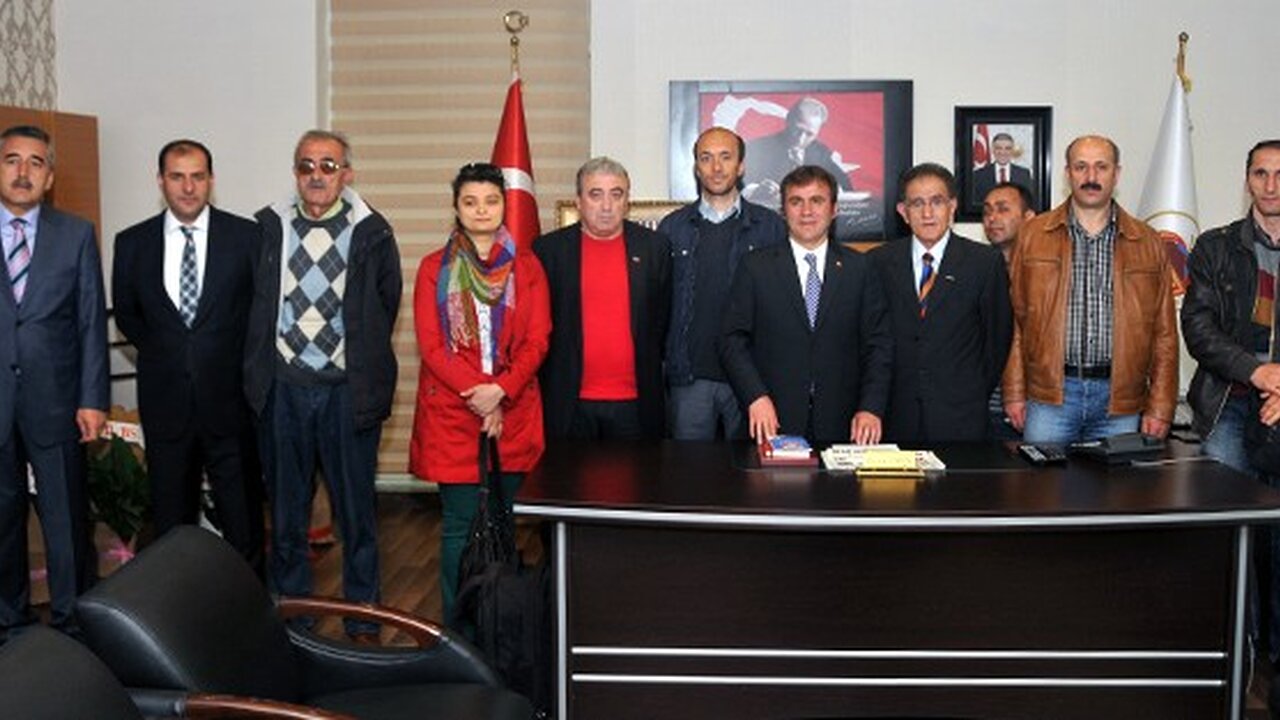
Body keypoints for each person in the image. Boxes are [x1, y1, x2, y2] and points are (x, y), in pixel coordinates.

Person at [244, 129, 401, 642]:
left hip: (346, 392)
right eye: (306, 166)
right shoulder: (268, 227)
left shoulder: (373, 232)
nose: (317, 176)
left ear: (346, 174)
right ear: (295, 173)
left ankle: (363, 616)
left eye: (328, 166)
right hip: (283, 389)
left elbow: (385, 303)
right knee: (287, 514)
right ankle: (294, 615)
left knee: (357, 514)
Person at [112, 140, 263, 572]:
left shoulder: (247, 237)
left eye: (197, 176)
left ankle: (249, 605)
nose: (188, 187)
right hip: (166, 405)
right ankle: (174, 607)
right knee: (171, 526)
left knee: (244, 521)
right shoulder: (133, 242)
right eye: (177, 177)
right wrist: (171, 352)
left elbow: (260, 314)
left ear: (211, 180)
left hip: (231, 405)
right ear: (160, 181)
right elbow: (128, 314)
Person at [410, 162, 550, 623]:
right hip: (454, 414)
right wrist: (481, 395)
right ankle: (459, 631)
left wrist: (501, 391)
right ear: (456, 207)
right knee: (459, 525)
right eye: (470, 202)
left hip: (514, 412)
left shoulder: (528, 267)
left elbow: (538, 340)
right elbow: (432, 346)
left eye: (491, 201)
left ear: (505, 205)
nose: (481, 210)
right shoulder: (433, 268)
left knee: (504, 523)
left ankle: (499, 625)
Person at [0, 124, 108, 641]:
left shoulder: (76, 234)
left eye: (35, 162)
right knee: (3, 520)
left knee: (65, 522)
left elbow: (90, 322)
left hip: (58, 402)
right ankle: (10, 623)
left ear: (49, 177)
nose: (23, 172)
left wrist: (93, 399)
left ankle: (72, 624)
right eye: (12, 160)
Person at [1003, 135, 1178, 443]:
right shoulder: (1032, 235)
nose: (1091, 177)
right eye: (1081, 167)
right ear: (1067, 173)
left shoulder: (1148, 242)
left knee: (1116, 478)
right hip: (1049, 397)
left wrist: (1161, 405)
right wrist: (1014, 391)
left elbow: (1164, 333)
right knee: (1042, 476)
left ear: (1116, 174)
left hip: (1121, 402)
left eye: (1101, 167)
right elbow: (1015, 322)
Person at [720, 165, 892, 444]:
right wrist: (755, 396)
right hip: (771, 419)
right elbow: (732, 340)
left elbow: (879, 345)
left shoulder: (860, 268)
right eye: (796, 201)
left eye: (817, 201)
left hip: (846, 422)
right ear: (783, 210)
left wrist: (871, 408)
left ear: (834, 209)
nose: (806, 211)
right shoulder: (755, 267)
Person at [659, 127, 786, 440]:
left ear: (741, 166)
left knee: (750, 469)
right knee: (688, 468)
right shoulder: (672, 228)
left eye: (726, 157)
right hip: (689, 379)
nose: (716, 167)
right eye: (706, 158)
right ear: (696, 168)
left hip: (752, 381)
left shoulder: (770, 227)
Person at [871, 163, 1011, 444]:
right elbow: (873, 339)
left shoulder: (984, 263)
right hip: (896, 415)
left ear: (952, 206)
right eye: (917, 204)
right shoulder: (878, 262)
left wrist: (970, 391)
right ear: (903, 212)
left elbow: (997, 341)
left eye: (936, 202)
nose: (927, 213)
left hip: (961, 415)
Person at [533, 157, 671, 440]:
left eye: (616, 194)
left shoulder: (654, 247)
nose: (606, 206)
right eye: (595, 195)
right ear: (579, 201)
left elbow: (663, 320)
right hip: (569, 403)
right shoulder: (549, 251)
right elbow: (539, 326)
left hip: (636, 403)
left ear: (627, 201)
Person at [1184, 140, 1280, 475]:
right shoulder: (1214, 247)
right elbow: (1198, 328)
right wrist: (1256, 371)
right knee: (1226, 497)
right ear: (1247, 181)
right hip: (1229, 399)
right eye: (1261, 174)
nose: (1270, 186)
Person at [982, 181, 1037, 439]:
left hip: (1033, 406)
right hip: (982, 406)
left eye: (1003, 209)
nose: (992, 218)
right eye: (987, 211)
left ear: (1029, 218)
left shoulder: (1047, 272)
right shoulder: (973, 267)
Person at [742, 97, 854, 209]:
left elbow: (846, 186)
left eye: (809, 134)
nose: (800, 139)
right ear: (788, 120)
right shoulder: (757, 148)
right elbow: (737, 185)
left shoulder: (821, 153)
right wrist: (755, 190)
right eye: (798, 130)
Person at [972, 132, 1036, 206]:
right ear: (992, 150)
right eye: (998, 148)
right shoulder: (978, 175)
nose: (1003, 152)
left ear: (1012, 150)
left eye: (1007, 148)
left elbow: (1027, 202)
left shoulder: (1024, 174)